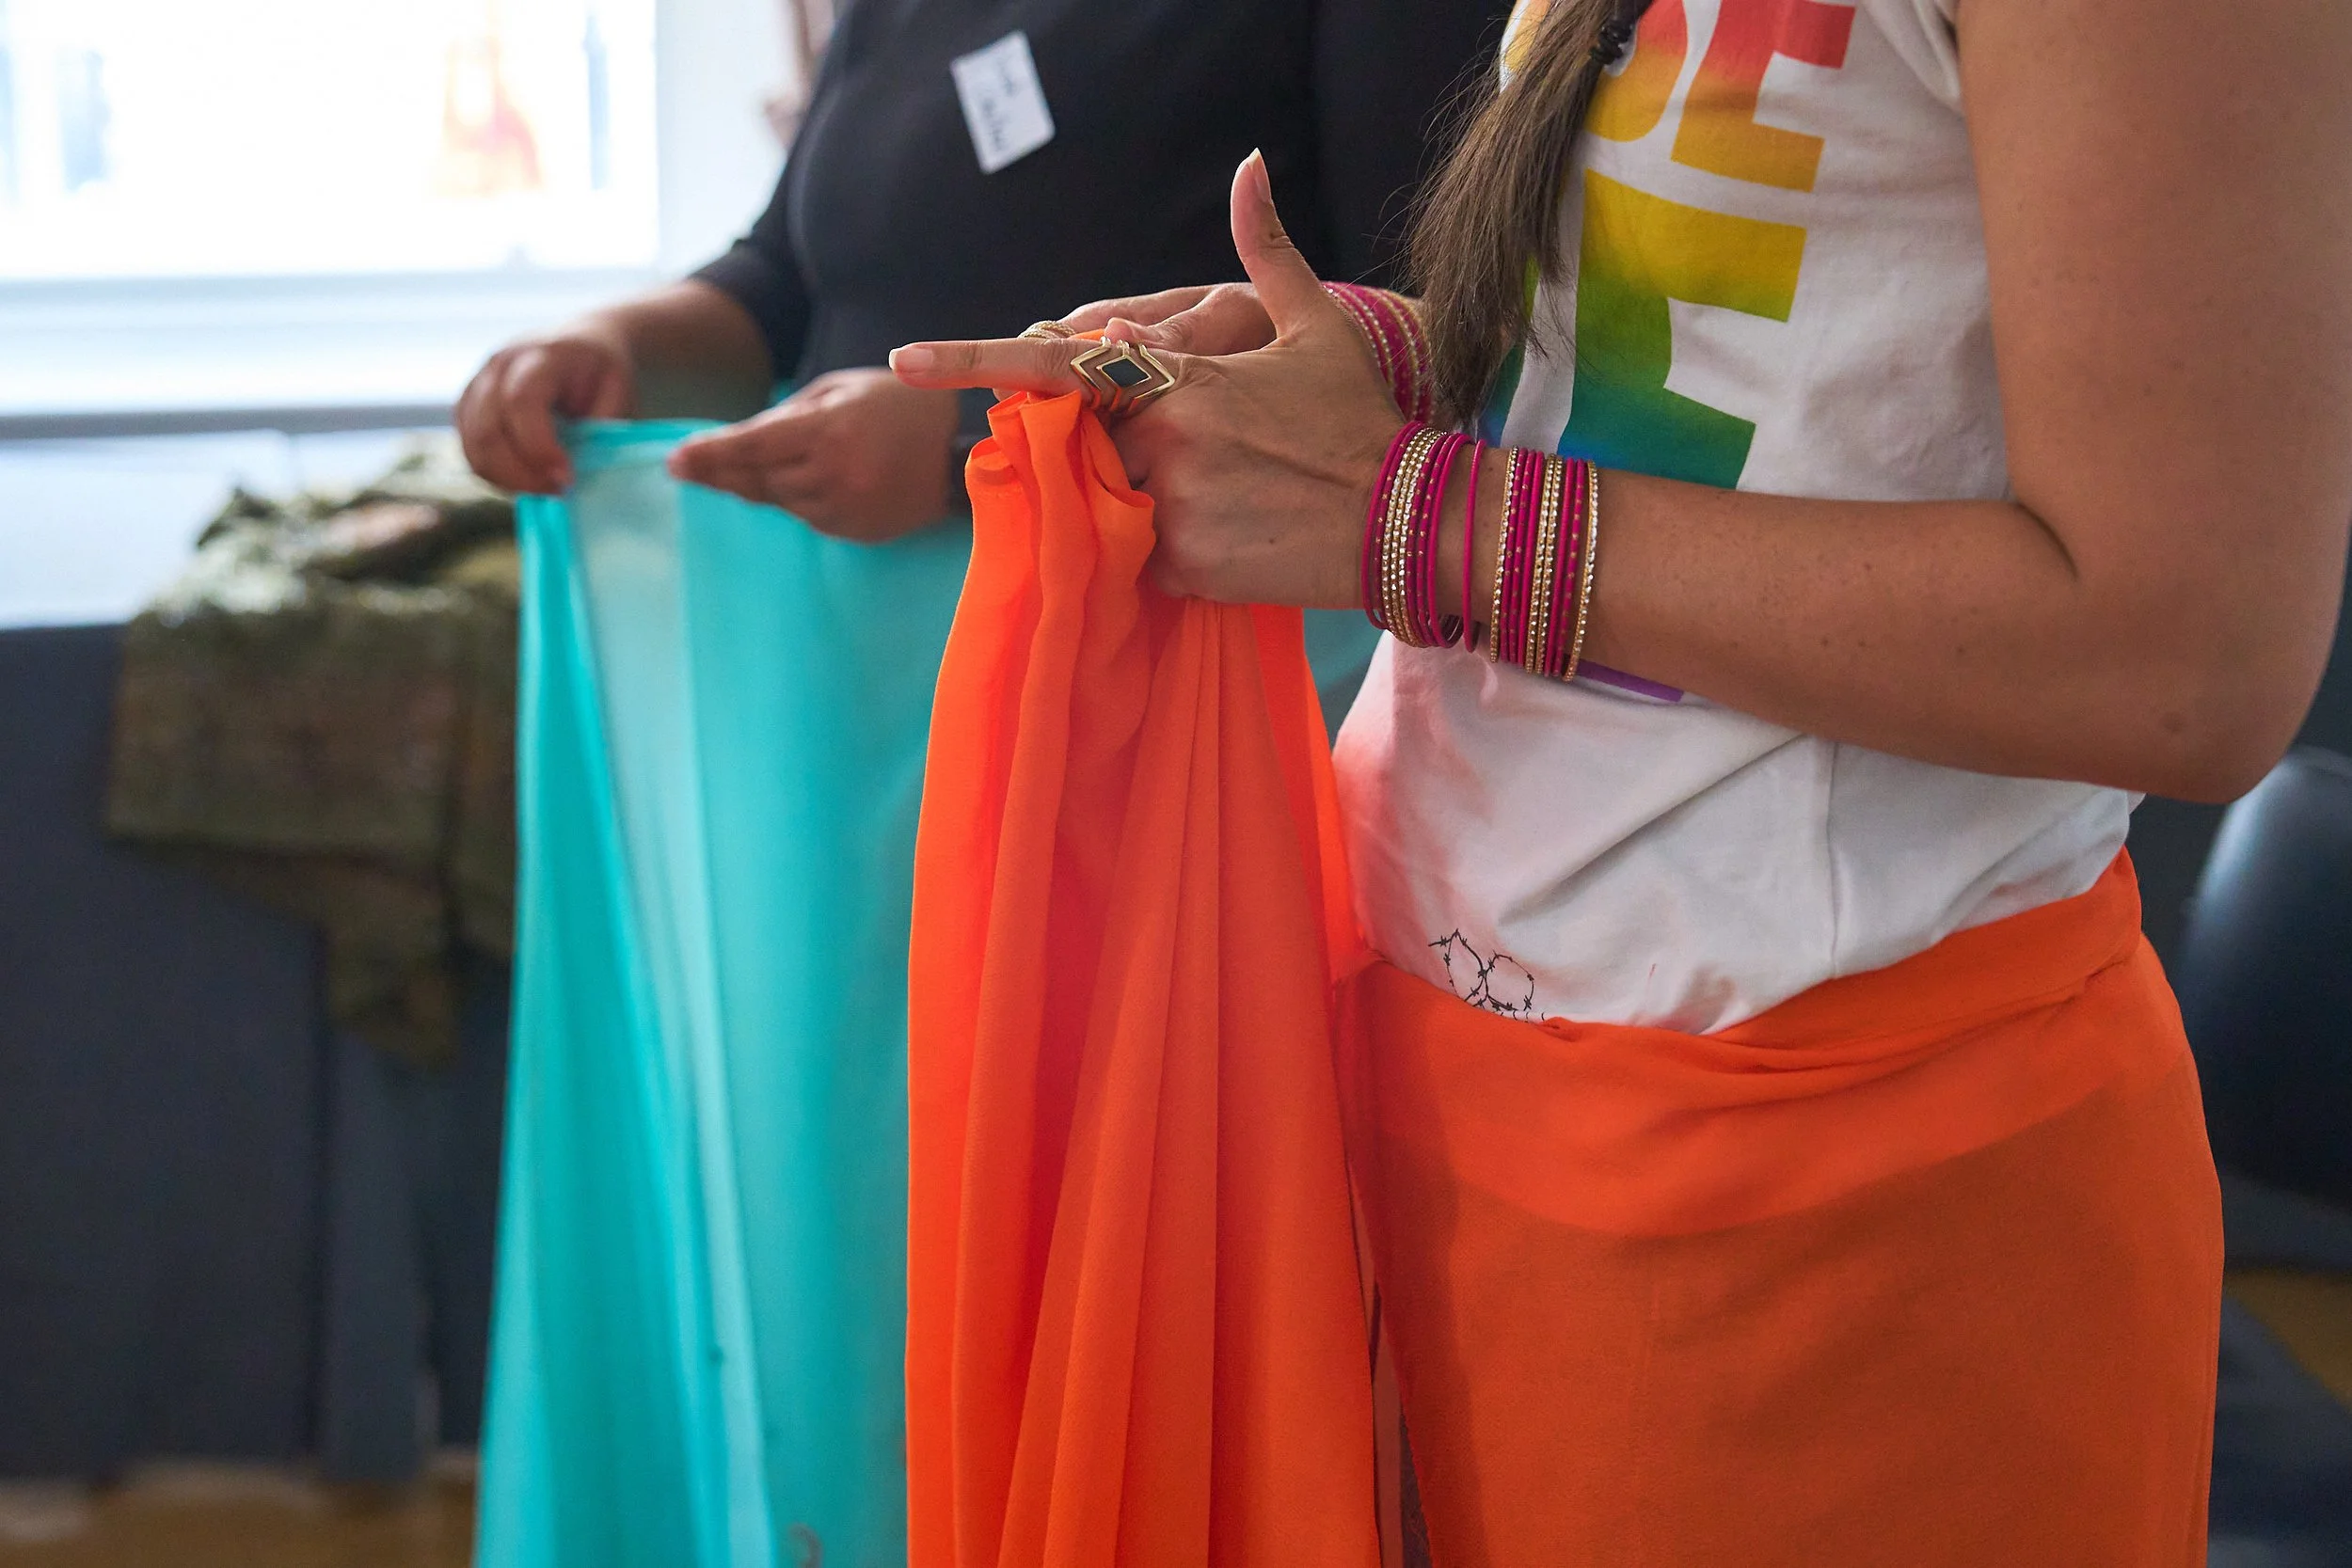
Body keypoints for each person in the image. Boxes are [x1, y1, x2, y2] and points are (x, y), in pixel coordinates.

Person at [895, 0, 2352, 1558]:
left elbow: (2181, 657)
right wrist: (1371, 384)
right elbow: (1754, 388)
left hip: (1823, 1203)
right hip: (1459, 1094)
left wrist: (1427, 516)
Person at [456, 3, 1508, 1564]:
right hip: (847, 749)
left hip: (1117, 783)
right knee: (851, 1276)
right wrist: (615, 346)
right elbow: (790, 272)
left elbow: (1429, 353)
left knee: (1069, 1294)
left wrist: (967, 435)